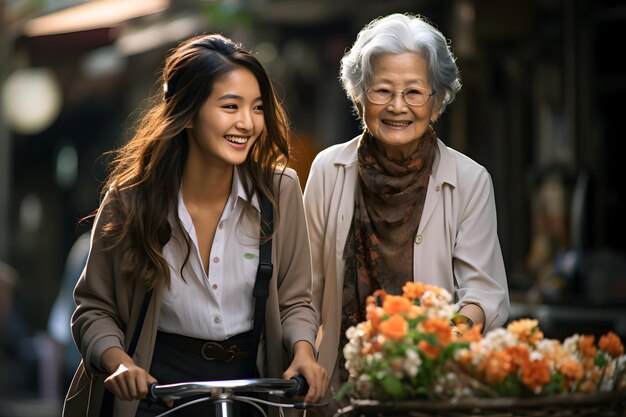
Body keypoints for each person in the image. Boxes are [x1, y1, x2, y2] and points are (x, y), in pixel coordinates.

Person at [63, 33, 328, 417]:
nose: (247, 123)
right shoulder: (131, 197)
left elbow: (295, 301)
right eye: (230, 106)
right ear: (187, 112)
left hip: (252, 386)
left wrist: (304, 351)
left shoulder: (280, 190)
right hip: (156, 390)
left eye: (256, 108)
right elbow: (93, 309)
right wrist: (120, 362)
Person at [303, 13, 510, 415]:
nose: (398, 107)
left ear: (437, 102)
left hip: (435, 392)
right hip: (338, 392)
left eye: (414, 92)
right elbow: (303, 289)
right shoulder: (328, 170)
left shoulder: (469, 181)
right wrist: (304, 358)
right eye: (382, 90)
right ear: (360, 96)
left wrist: (440, 342)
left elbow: (484, 293)